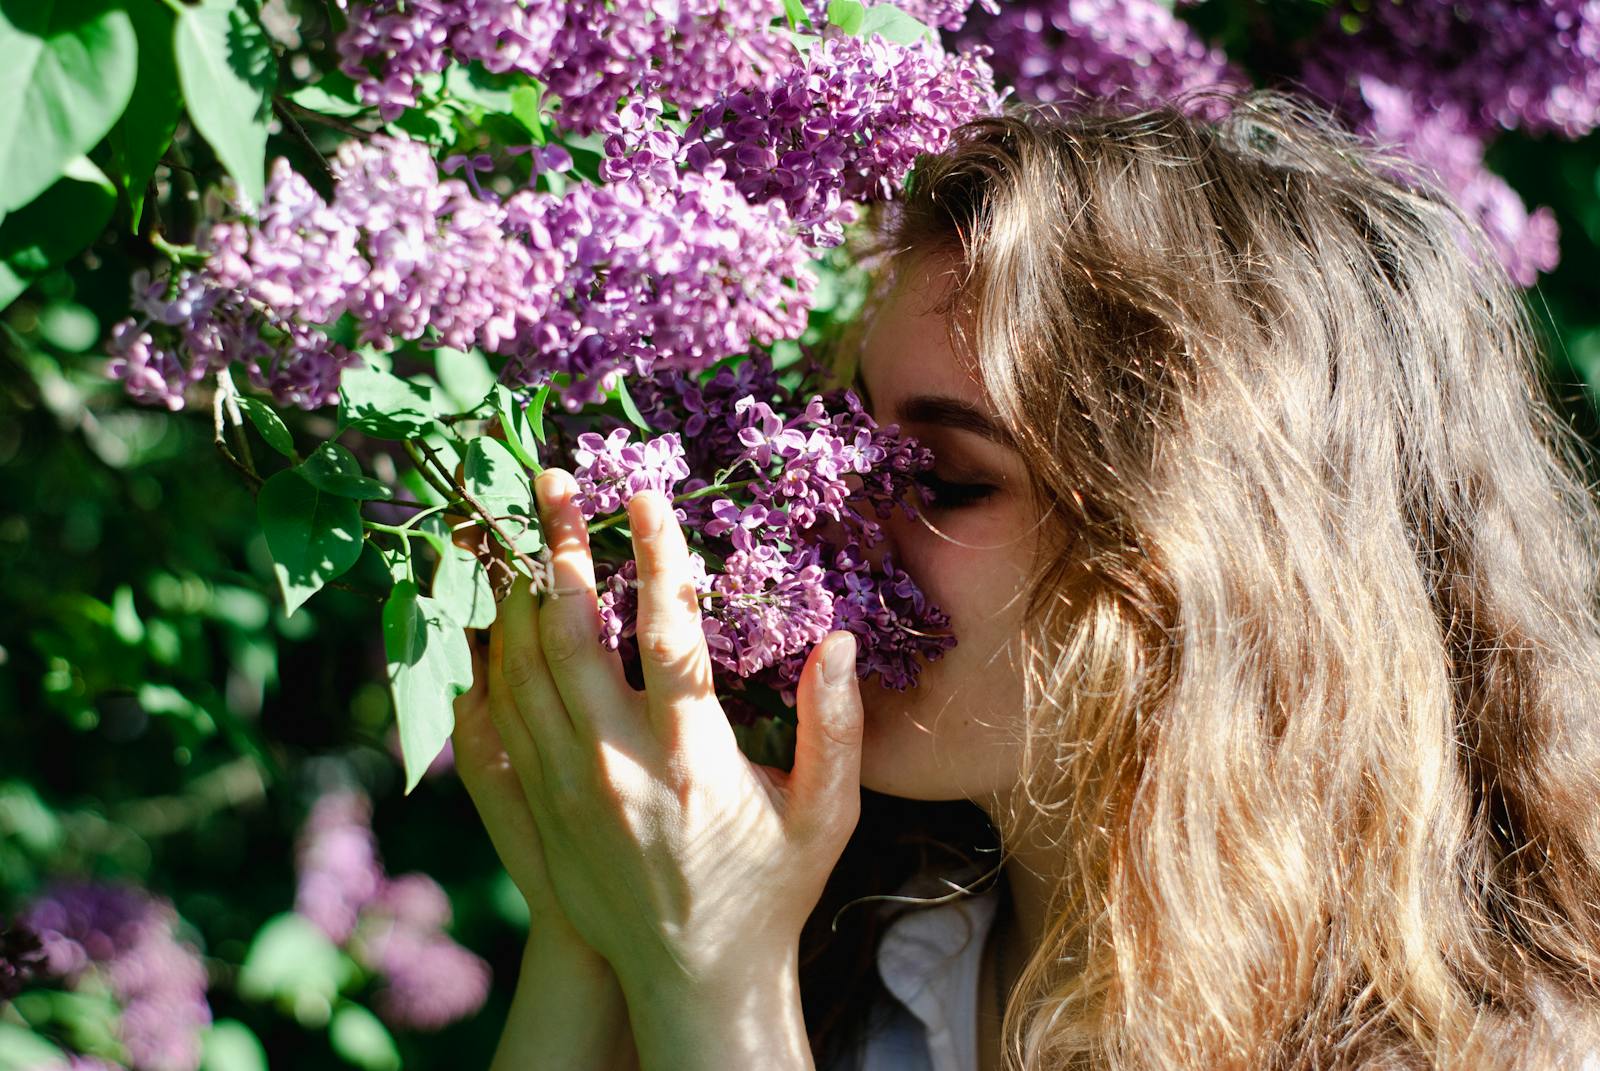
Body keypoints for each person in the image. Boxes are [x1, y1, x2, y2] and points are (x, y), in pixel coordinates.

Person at [448, 92, 1600, 1070]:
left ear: (1206, 558)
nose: (828, 535)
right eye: (837, 445)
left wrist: (714, 991)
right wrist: (591, 924)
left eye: (941, 478)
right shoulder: (862, 946)